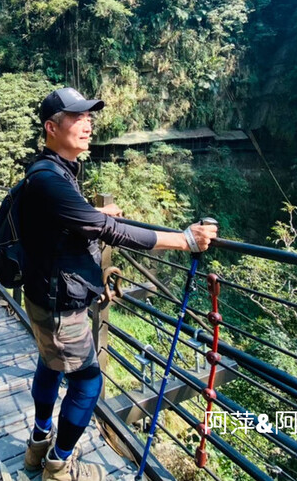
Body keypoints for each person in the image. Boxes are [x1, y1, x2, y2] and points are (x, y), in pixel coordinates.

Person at [19, 87, 218, 481]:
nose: (88, 124)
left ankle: (38, 443)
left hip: (44, 296)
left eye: (90, 117)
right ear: (51, 127)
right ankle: (57, 465)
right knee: (87, 383)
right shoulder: (50, 179)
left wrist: (90, 211)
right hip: (61, 306)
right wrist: (184, 241)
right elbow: (106, 229)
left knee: (50, 364)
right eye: (78, 117)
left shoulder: (51, 171)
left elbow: (65, 220)